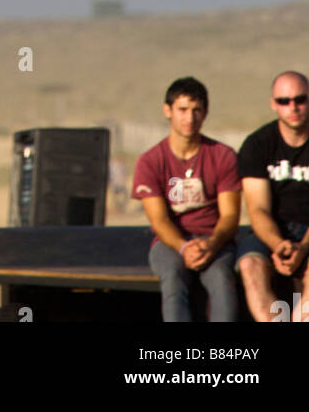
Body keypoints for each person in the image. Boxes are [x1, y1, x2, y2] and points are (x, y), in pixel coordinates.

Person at [131, 76, 241, 322]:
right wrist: (183, 247)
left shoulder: (223, 156)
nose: (189, 118)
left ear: (205, 113)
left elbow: (231, 215)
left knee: (222, 279)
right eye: (182, 110)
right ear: (167, 110)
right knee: (172, 277)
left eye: (196, 110)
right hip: (170, 242)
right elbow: (158, 220)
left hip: (215, 240)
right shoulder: (150, 161)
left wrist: (211, 245)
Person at [237, 70, 309, 322]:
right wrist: (278, 245)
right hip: (271, 231)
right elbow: (257, 208)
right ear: (273, 104)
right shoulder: (257, 145)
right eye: (284, 101)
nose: (293, 107)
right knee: (250, 265)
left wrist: (303, 247)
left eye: (300, 99)